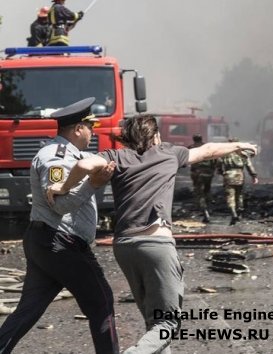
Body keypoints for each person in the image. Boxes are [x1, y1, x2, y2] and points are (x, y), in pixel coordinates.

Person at [47, 115, 258, 354]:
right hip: (156, 244)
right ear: (155, 135)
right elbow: (208, 150)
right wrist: (240, 145)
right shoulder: (168, 153)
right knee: (168, 323)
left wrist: (63, 187)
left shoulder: (115, 156)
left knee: (154, 320)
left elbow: (84, 165)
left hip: (124, 247)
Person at [0, 97, 119, 354]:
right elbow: (59, 205)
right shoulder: (57, 158)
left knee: (28, 310)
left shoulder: (71, 154)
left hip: (46, 242)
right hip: (61, 243)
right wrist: (94, 185)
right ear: (78, 129)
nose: (93, 132)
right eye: (90, 127)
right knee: (102, 302)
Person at [217, 137, 259, 225]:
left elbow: (219, 165)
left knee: (230, 197)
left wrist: (221, 173)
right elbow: (249, 166)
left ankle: (233, 214)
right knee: (239, 195)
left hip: (228, 176)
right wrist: (254, 176)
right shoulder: (242, 154)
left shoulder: (224, 154)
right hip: (240, 176)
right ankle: (239, 213)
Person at [188, 134, 217, 223]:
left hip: (197, 173)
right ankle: (209, 207)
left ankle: (205, 212)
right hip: (208, 173)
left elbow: (187, 159)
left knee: (199, 193)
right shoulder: (207, 147)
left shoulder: (191, 147)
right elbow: (214, 159)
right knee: (207, 191)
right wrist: (213, 169)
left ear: (193, 139)